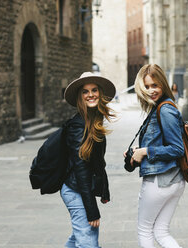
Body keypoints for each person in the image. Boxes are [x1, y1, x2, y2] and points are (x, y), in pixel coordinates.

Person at [125, 64, 185, 248]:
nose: (151, 91)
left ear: (163, 85)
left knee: (145, 230)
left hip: (160, 181)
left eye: (155, 86)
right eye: (147, 86)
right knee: (161, 231)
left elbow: (177, 149)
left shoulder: (165, 110)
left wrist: (146, 151)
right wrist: (139, 149)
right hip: (174, 180)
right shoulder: (160, 107)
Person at [61, 72, 116, 248]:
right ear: (80, 97)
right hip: (75, 188)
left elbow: (98, 163)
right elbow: (81, 170)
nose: (90, 94)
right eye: (85, 91)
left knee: (80, 237)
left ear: (100, 93)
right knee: (88, 243)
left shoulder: (93, 120)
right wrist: (92, 210)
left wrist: (104, 190)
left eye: (94, 90)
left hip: (81, 188)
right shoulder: (79, 126)